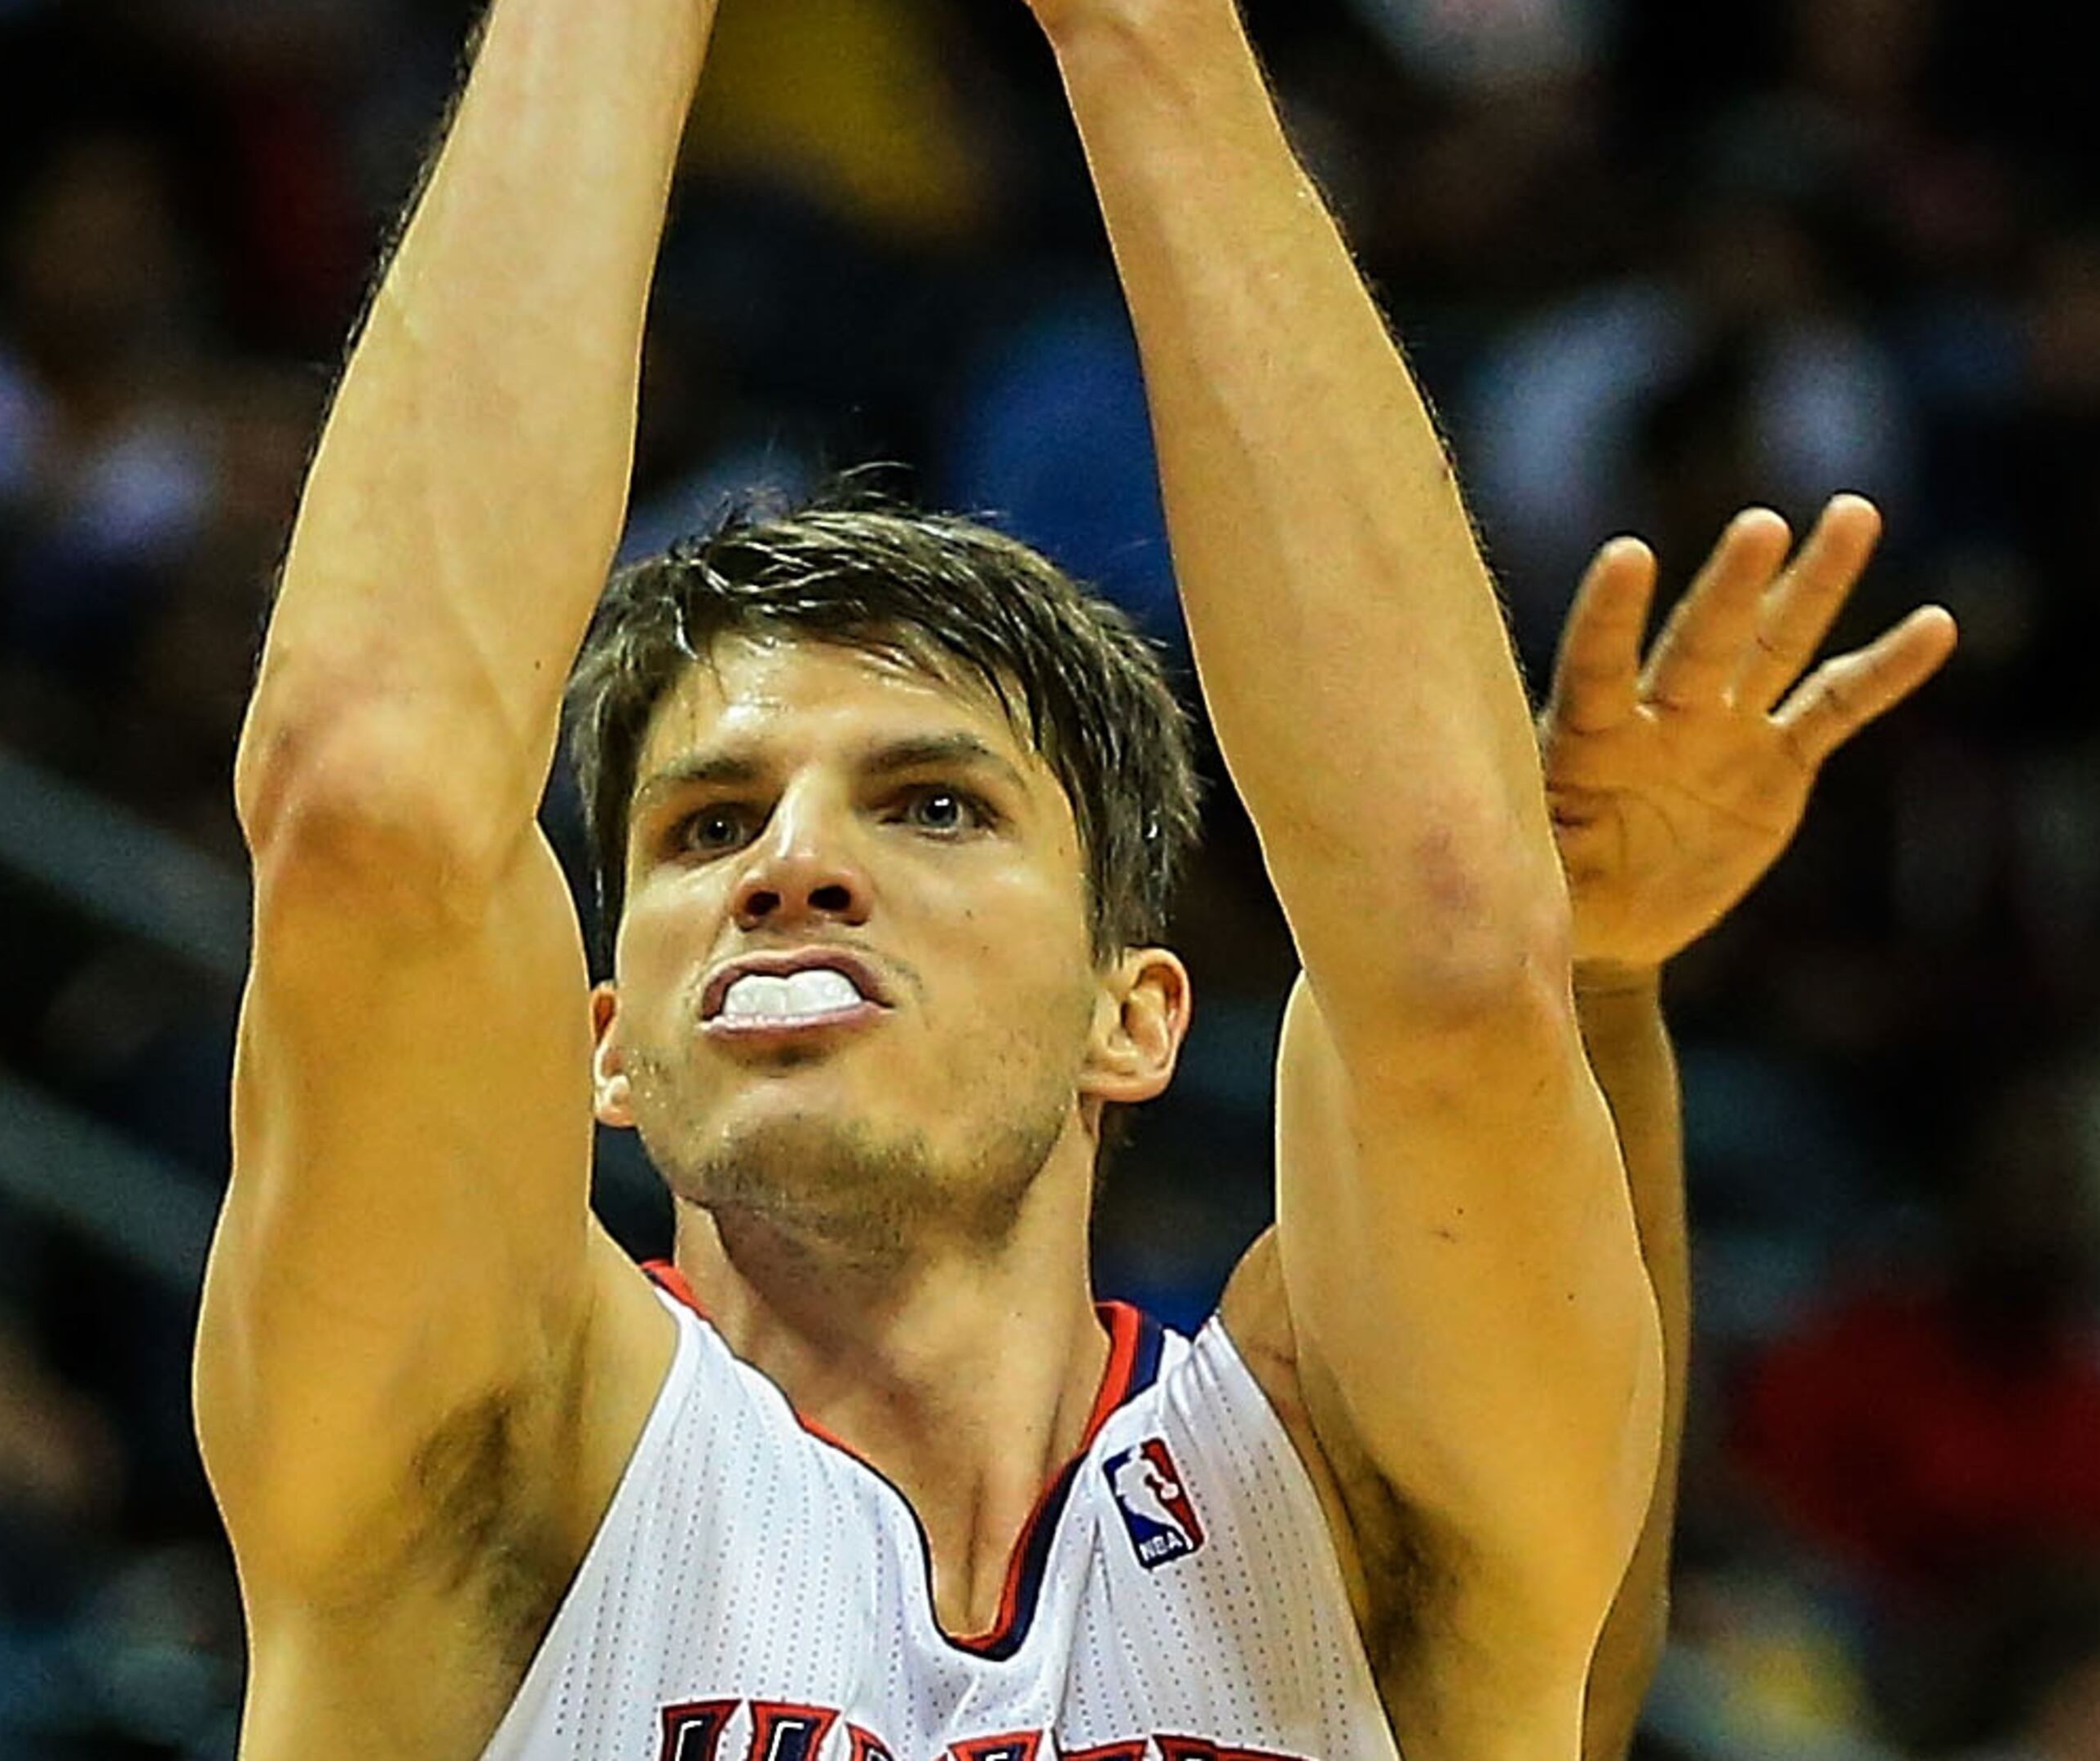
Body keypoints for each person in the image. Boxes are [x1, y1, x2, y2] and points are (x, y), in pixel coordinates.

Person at [193, 3, 1958, 1760]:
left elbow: (1443, 943)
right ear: (603, 1047)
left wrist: (1152, 35)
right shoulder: (503, 1472)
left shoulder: (1330, 1504)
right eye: (707, 826)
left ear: (1138, 1013)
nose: (794, 863)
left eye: (934, 808)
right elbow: (373, 812)